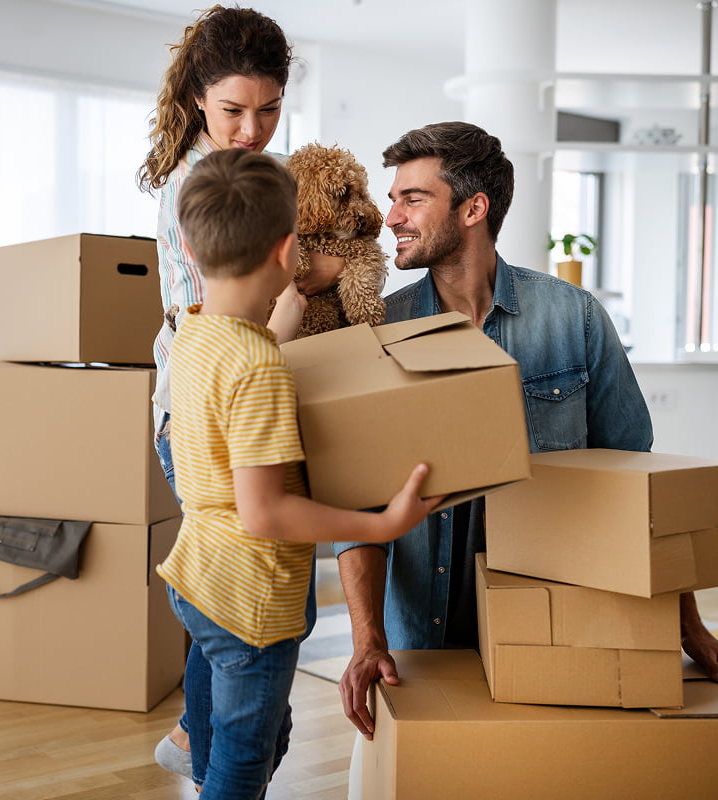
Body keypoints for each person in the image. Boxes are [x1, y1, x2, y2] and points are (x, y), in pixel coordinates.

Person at [333, 121, 718, 742]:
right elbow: (357, 499)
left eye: (412, 198)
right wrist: (366, 639)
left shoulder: (574, 319)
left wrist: (688, 626)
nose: (390, 216)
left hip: (557, 620)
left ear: (472, 209)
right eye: (393, 196)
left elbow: (637, 489)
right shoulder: (380, 330)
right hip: (418, 636)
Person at [157, 146, 440, 799]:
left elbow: (237, 393)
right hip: (251, 598)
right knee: (243, 763)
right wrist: (384, 518)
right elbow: (266, 511)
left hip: (196, 578)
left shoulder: (195, 332)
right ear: (289, 252)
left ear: (192, 253)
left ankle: (205, 756)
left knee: (240, 734)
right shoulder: (258, 366)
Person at [135, 5, 343, 789]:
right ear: (197, 98)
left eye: (269, 110)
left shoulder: (263, 173)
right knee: (237, 588)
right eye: (233, 111)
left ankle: (197, 737)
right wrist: (302, 281)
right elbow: (229, 319)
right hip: (200, 404)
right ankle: (210, 742)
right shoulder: (195, 188)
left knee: (222, 586)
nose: (252, 129)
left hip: (239, 385)